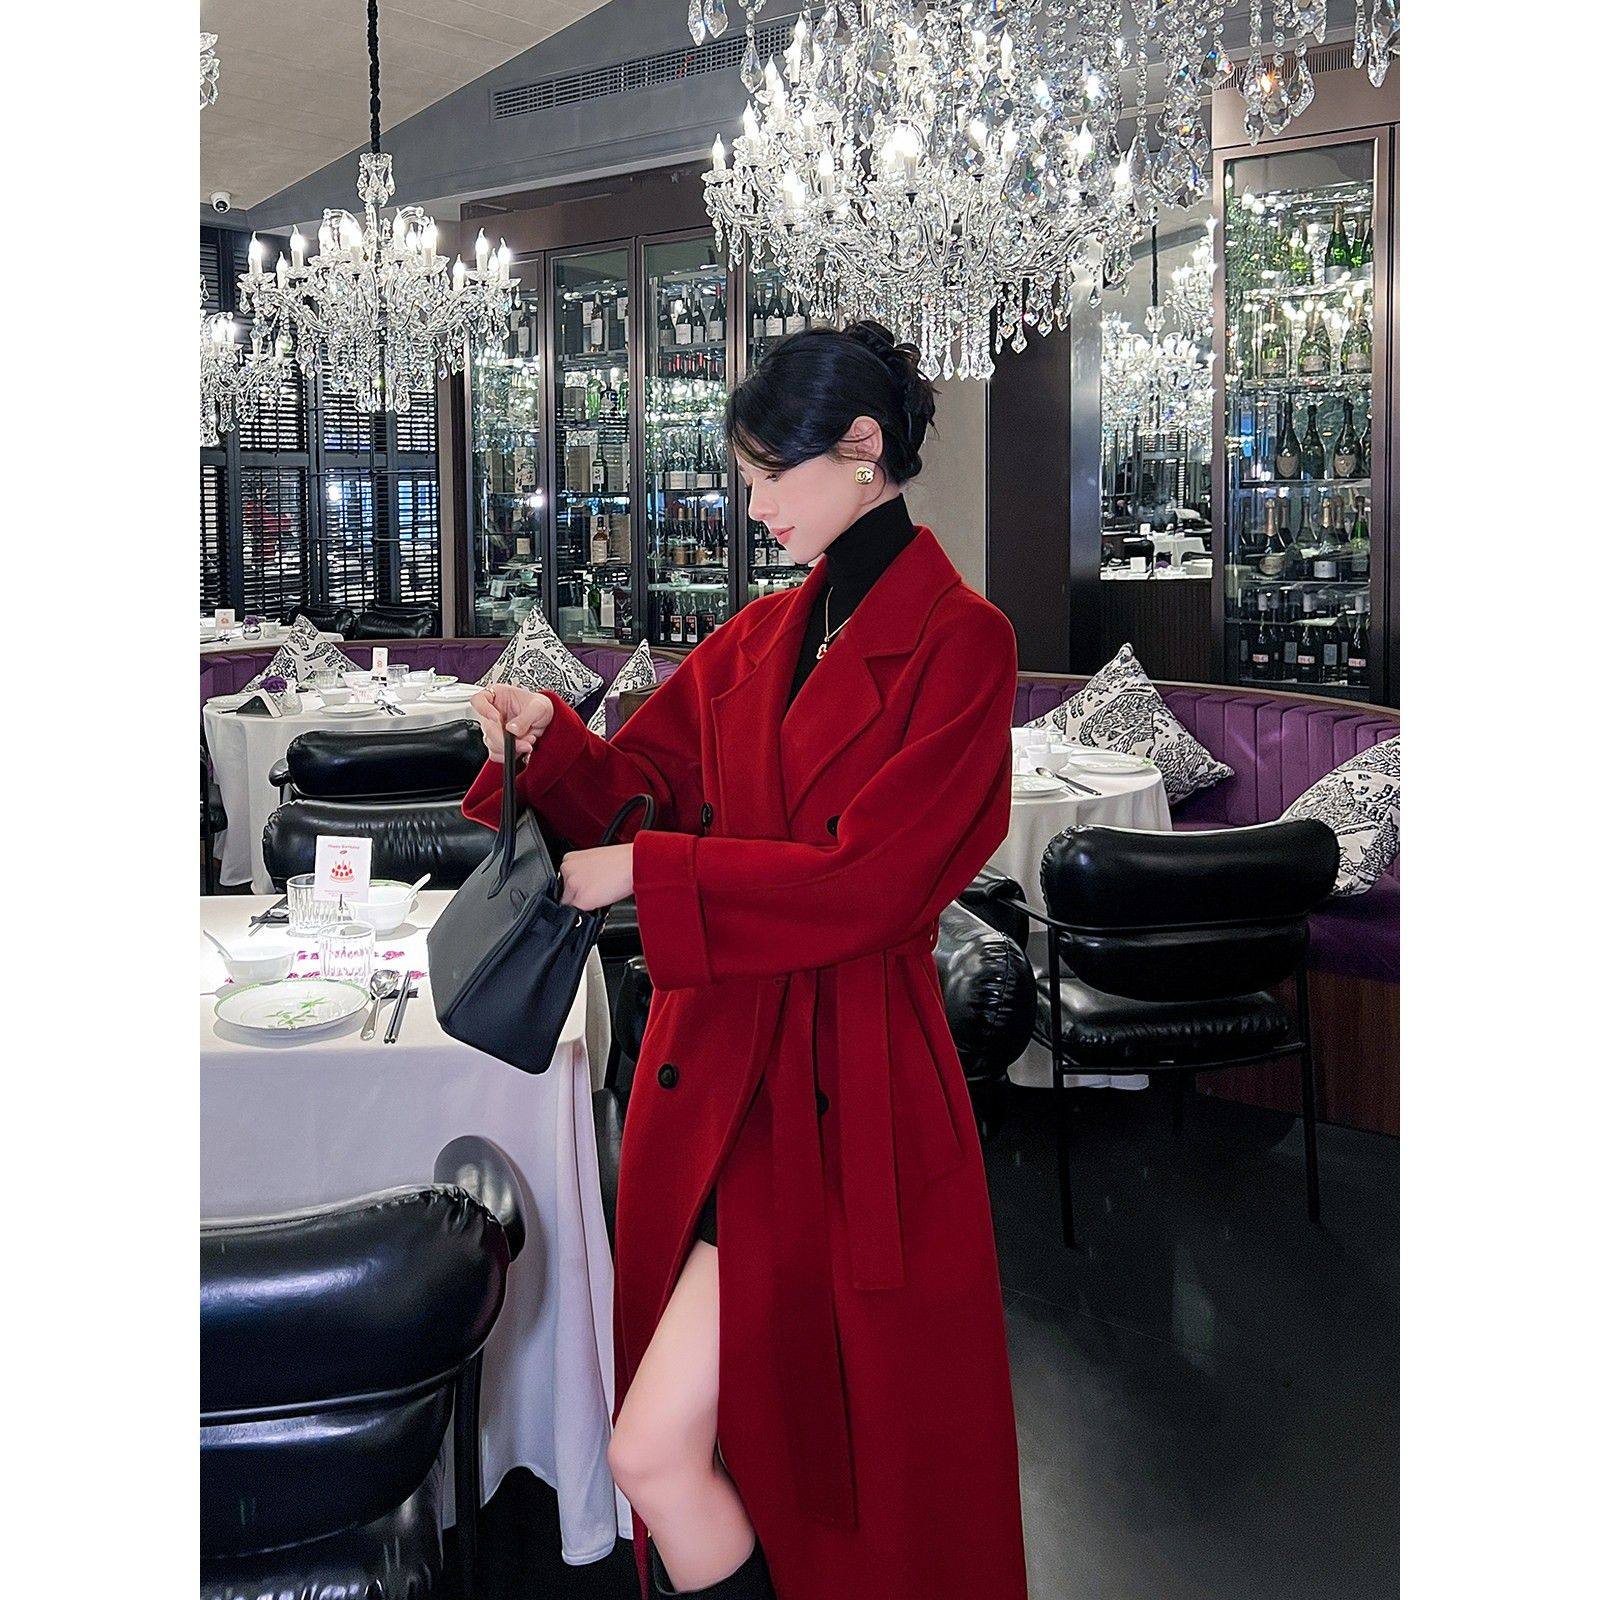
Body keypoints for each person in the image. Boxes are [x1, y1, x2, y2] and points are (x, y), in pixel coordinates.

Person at [465, 320, 1028, 1600]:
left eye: (774, 473)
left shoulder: (964, 640)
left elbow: (877, 882)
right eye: (748, 474)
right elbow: (644, 783)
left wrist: (647, 875)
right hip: (725, 1078)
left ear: (863, 448)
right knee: (674, 1451)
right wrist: (550, 736)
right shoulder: (763, 635)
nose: (756, 503)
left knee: (781, 1467)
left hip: (850, 1097)